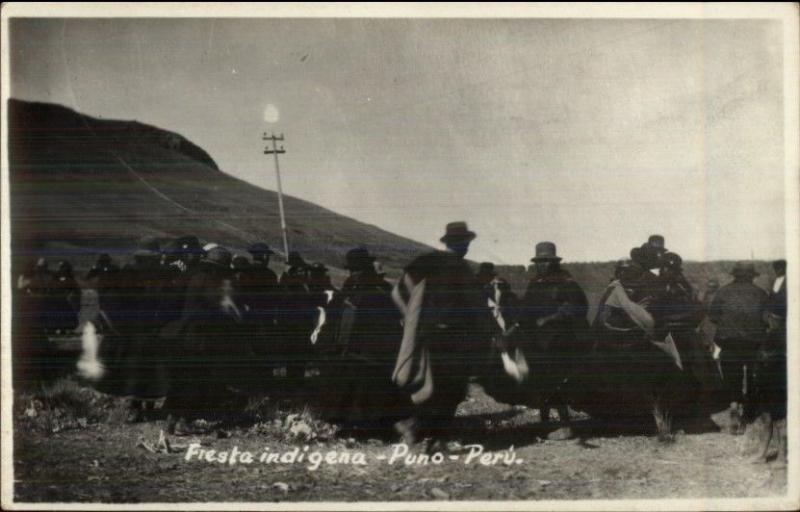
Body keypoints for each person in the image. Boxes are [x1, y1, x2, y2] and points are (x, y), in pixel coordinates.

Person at [393, 221, 488, 449]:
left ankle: (419, 429)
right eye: (465, 242)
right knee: (452, 389)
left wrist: (411, 319)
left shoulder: (429, 261)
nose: (466, 246)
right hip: (456, 337)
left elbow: (398, 290)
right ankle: (425, 432)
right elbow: (477, 307)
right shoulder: (463, 269)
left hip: (432, 334)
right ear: (462, 243)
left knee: (435, 386)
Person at [328, 246, 407, 432]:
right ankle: (355, 424)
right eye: (352, 269)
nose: (353, 272)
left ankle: (368, 425)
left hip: (372, 350)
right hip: (354, 349)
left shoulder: (377, 289)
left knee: (367, 387)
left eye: (356, 268)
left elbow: (392, 319)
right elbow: (334, 311)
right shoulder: (354, 287)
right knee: (356, 387)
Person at [520, 242, 589, 423]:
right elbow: (526, 309)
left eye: (545, 261)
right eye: (539, 261)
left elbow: (579, 307)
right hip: (538, 340)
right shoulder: (535, 283)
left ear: (554, 262)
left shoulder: (566, 282)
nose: (541, 265)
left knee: (556, 380)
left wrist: (552, 318)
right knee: (540, 379)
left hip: (560, 339)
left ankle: (565, 421)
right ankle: (544, 420)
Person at [709, 261, 768, 433]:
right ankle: (748, 412)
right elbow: (767, 319)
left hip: (729, 341)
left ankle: (734, 405)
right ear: (751, 276)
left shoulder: (723, 292)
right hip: (754, 342)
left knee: (731, 375)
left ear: (735, 275)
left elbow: (713, 316)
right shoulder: (760, 293)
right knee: (752, 376)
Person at [277, 251, 315, 394]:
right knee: (293, 359)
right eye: (300, 269)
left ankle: (295, 386)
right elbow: (281, 294)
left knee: (299, 360)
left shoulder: (303, 285)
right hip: (292, 328)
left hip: (302, 328)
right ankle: (291, 388)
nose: (303, 272)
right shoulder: (290, 285)